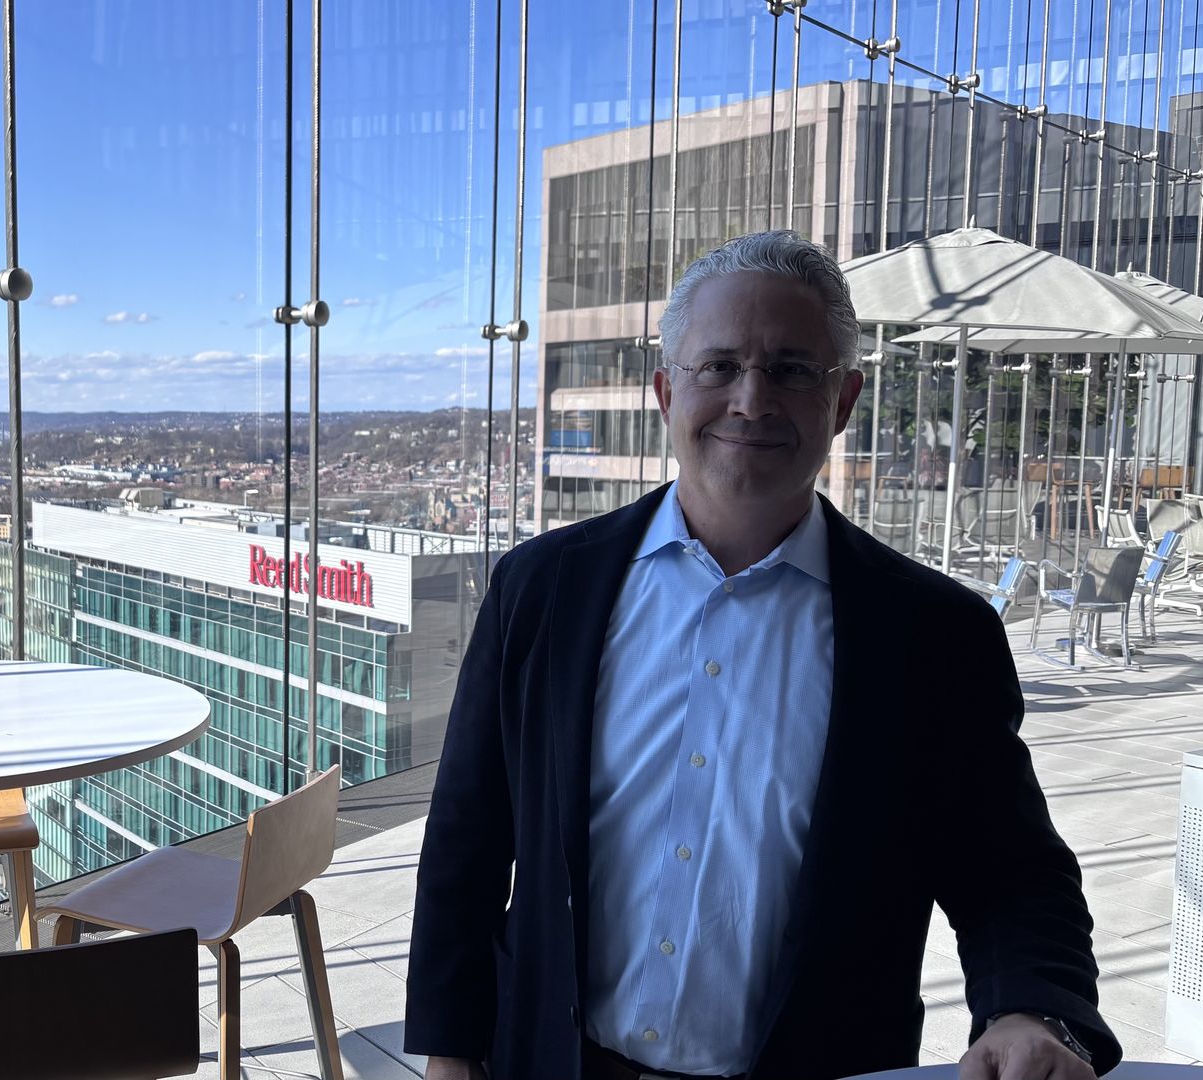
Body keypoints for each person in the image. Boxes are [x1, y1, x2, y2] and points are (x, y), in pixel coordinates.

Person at [404, 231, 1118, 1080]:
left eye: (790, 369)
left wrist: (1031, 1009)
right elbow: (467, 842)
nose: (751, 399)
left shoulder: (934, 633)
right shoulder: (541, 588)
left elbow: (1011, 870)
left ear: (842, 401)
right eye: (718, 367)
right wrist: (449, 1055)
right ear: (667, 391)